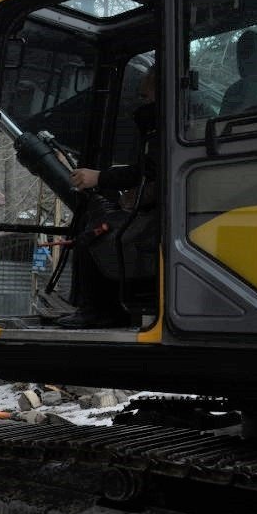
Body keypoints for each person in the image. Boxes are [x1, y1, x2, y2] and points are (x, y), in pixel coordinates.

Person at [62, 63, 158, 329]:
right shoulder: (180, 119)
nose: (140, 102)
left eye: (144, 96)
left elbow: (151, 170)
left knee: (92, 237)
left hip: (160, 217)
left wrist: (99, 178)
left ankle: (98, 312)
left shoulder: (161, 125)